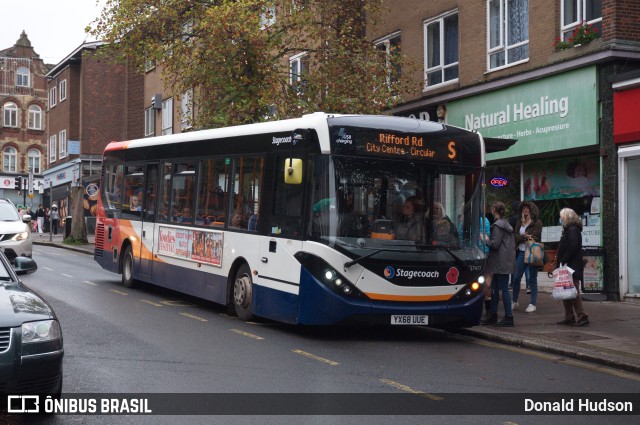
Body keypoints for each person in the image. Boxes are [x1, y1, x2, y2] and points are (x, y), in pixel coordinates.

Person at [481, 201, 516, 327]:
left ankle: (508, 317)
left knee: (503, 290)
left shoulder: (497, 225)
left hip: (499, 262)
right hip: (503, 261)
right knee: (495, 289)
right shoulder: (505, 224)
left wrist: (485, 239)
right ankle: (493, 315)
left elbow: (495, 244)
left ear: (494, 209)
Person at [554, 208, 589, 326]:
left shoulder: (572, 230)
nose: (561, 219)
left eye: (562, 217)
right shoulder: (569, 229)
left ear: (567, 217)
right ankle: (569, 316)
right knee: (566, 290)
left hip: (571, 265)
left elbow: (572, 246)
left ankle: (582, 315)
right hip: (568, 265)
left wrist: (564, 259)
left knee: (573, 291)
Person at [510, 201, 543, 313]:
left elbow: (537, 236)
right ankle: (514, 301)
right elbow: (515, 236)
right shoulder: (520, 222)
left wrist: (526, 237)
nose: (525, 210)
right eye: (524, 208)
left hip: (532, 253)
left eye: (527, 208)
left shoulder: (537, 222)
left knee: (532, 279)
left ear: (532, 210)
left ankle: (532, 304)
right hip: (521, 252)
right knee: (516, 278)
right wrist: (523, 237)